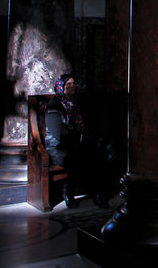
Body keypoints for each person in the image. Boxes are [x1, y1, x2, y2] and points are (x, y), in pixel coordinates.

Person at [46, 73, 116, 208]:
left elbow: (83, 126)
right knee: (78, 155)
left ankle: (100, 193)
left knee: (99, 152)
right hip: (58, 147)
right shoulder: (54, 105)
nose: (72, 87)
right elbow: (58, 133)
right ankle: (68, 192)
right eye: (68, 84)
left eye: (73, 83)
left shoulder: (75, 103)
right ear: (61, 87)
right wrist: (79, 138)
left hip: (75, 142)